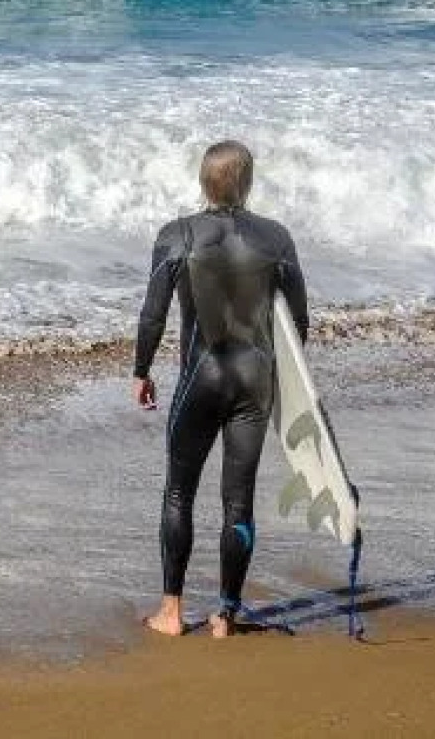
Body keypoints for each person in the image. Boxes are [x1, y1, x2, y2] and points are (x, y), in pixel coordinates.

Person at [131, 140, 307, 638]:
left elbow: (152, 315)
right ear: (247, 182)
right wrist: (288, 385)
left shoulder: (177, 234)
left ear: (203, 181)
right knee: (239, 501)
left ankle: (170, 612)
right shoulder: (276, 238)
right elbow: (299, 319)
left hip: (200, 381)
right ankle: (226, 614)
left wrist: (141, 371)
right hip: (257, 382)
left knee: (179, 492)